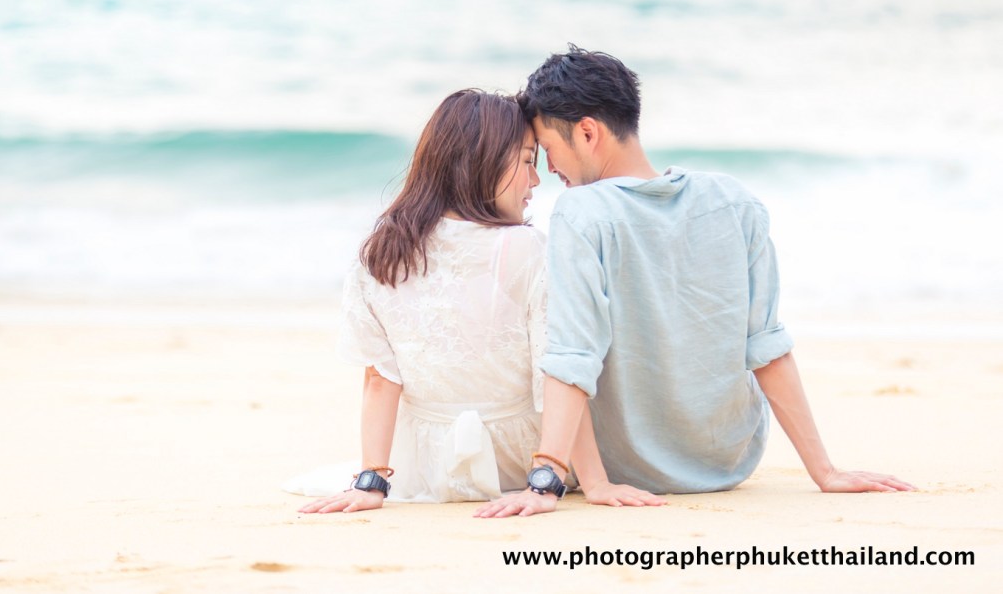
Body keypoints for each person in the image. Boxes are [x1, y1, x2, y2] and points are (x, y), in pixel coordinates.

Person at [475, 47, 914, 519]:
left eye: (549, 149)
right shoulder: (733, 200)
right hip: (727, 461)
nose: (548, 169)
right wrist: (824, 471)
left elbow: (573, 355)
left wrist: (544, 482)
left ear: (587, 132)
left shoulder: (582, 212)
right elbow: (766, 345)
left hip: (629, 467)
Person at [294, 89, 643, 513]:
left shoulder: (382, 253)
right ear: (485, 160)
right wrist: (592, 482)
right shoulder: (527, 248)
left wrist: (372, 480)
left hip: (428, 466)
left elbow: (380, 379)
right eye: (529, 161)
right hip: (519, 462)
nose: (535, 180)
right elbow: (558, 371)